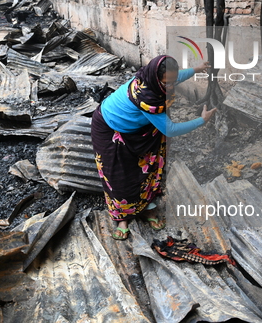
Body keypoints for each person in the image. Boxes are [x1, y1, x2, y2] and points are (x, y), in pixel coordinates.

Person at [91, 55, 215, 240]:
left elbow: (175, 77)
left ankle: (147, 207)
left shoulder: (155, 81)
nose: (171, 87)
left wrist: (196, 69)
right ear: (156, 80)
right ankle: (122, 217)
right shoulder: (148, 97)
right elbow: (170, 130)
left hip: (138, 129)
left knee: (147, 167)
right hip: (109, 129)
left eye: (172, 82)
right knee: (118, 176)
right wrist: (201, 121)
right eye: (167, 83)